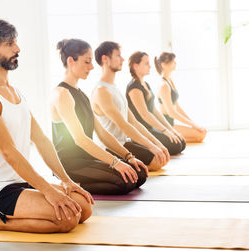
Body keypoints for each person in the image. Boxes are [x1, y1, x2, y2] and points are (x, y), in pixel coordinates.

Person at [0, 19, 93, 233]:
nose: (17, 49)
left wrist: (66, 181)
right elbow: (9, 152)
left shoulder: (16, 93)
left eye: (15, 42)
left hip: (19, 182)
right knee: (68, 219)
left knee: (84, 208)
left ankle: (33, 201)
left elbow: (42, 140)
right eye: (9, 44)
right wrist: (48, 191)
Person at [51, 39, 148, 195]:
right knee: (124, 183)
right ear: (71, 61)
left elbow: (101, 132)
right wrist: (115, 162)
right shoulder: (61, 94)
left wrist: (128, 157)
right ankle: (67, 184)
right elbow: (80, 139)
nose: (91, 67)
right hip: (70, 164)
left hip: (87, 159)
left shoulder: (82, 94)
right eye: (87, 62)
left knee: (139, 175)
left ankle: (80, 182)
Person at [91, 41, 169, 171]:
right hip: (111, 147)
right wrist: (152, 147)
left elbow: (133, 122)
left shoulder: (114, 88)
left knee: (162, 158)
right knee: (156, 161)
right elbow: (123, 125)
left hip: (124, 142)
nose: (122, 59)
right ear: (105, 59)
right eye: (118, 55)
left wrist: (157, 144)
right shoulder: (101, 91)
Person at [126, 51, 186, 156]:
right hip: (142, 131)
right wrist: (165, 131)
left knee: (181, 142)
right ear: (136, 66)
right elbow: (145, 114)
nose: (150, 66)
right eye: (146, 64)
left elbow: (154, 110)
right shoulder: (134, 88)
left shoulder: (145, 84)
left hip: (151, 128)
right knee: (176, 145)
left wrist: (170, 129)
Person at [155, 52, 207, 143]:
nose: (175, 63)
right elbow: (172, 113)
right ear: (163, 65)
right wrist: (194, 126)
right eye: (173, 61)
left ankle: (172, 139)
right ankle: (166, 140)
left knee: (202, 133)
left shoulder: (169, 81)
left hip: (171, 123)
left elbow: (177, 107)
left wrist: (194, 124)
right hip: (166, 125)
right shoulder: (164, 86)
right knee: (200, 135)